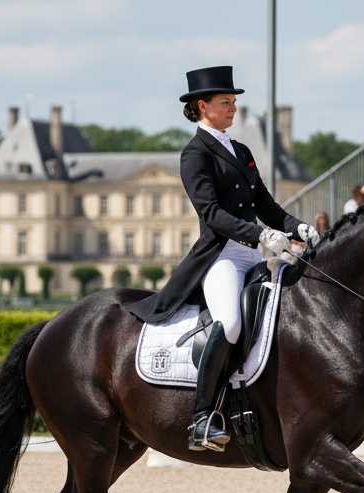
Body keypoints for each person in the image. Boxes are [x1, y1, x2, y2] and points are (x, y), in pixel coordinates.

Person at [127, 66, 319, 452]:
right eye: (226, 102)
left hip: (253, 254)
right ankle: (202, 418)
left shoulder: (241, 151)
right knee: (229, 322)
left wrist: (299, 228)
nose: (233, 108)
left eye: (234, 102)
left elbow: (265, 204)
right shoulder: (195, 153)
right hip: (222, 257)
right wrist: (260, 233)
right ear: (203, 106)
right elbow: (211, 213)